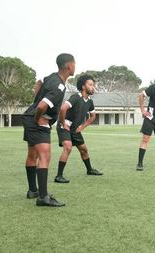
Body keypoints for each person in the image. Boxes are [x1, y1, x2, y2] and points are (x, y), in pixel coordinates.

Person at [21, 53, 75, 207]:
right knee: (44, 156)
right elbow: (41, 106)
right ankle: (43, 197)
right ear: (69, 66)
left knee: (32, 154)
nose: (75, 66)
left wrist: (36, 97)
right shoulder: (59, 86)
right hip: (37, 122)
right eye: (74, 64)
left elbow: (39, 84)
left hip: (28, 117)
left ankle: (33, 190)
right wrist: (38, 119)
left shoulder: (52, 77)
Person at [54, 74, 103, 183]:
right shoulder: (76, 97)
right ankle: (58, 176)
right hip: (64, 126)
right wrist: (62, 122)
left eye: (93, 85)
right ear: (83, 86)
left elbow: (93, 116)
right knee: (68, 147)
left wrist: (82, 126)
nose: (93, 87)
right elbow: (63, 108)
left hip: (75, 128)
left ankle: (89, 170)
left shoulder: (90, 101)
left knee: (83, 149)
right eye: (90, 85)